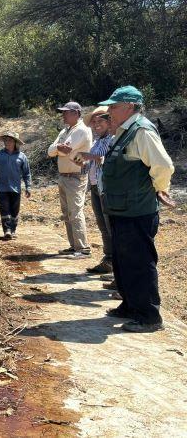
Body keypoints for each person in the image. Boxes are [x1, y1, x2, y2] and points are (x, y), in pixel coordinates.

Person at [99, 86, 175, 333]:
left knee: (140, 262)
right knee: (122, 261)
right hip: (122, 209)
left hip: (138, 210)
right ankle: (130, 305)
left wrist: (160, 188)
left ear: (129, 107)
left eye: (113, 106)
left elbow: (163, 165)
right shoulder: (124, 131)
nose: (109, 111)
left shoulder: (141, 131)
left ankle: (149, 316)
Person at [47, 101, 93, 259]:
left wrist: (60, 149)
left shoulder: (82, 130)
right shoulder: (66, 130)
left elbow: (66, 149)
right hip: (64, 175)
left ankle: (83, 248)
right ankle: (74, 246)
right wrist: (60, 148)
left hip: (76, 176)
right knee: (67, 212)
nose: (63, 115)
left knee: (75, 211)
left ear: (76, 113)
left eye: (66, 112)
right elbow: (51, 151)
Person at [77, 107, 115, 275]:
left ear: (109, 121)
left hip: (106, 188)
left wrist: (90, 157)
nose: (96, 124)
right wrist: (83, 164)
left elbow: (108, 160)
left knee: (111, 226)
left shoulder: (113, 139)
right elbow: (93, 164)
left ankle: (115, 265)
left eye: (100, 121)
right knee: (103, 226)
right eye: (94, 121)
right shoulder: (98, 140)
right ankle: (109, 260)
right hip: (95, 186)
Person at [0, 131, 31, 240]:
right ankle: (7, 230)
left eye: (10, 140)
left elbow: (27, 173)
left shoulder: (22, 157)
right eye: (5, 140)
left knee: (14, 210)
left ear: (15, 143)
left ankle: (13, 230)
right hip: (2, 188)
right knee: (4, 209)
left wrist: (28, 187)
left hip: (16, 188)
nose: (7, 142)